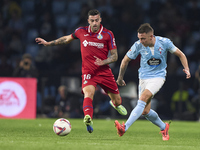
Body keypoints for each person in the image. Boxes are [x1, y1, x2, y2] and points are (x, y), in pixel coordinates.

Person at [35, 9, 127, 133]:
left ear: (100, 20)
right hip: (89, 72)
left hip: (104, 72)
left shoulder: (108, 34)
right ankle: (88, 117)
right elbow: (66, 39)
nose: (95, 23)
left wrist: (103, 62)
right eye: (92, 21)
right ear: (88, 21)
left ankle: (115, 104)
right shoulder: (81, 31)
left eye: (97, 20)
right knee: (88, 93)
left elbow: (115, 56)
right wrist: (48, 43)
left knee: (117, 101)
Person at [114, 23, 191, 141]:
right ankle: (164, 127)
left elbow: (180, 54)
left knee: (143, 98)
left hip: (158, 77)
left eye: (143, 38)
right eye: (139, 38)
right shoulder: (138, 45)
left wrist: (186, 68)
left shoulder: (164, 42)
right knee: (145, 111)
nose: (141, 41)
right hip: (143, 77)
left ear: (151, 36)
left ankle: (124, 127)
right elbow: (125, 60)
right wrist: (120, 77)